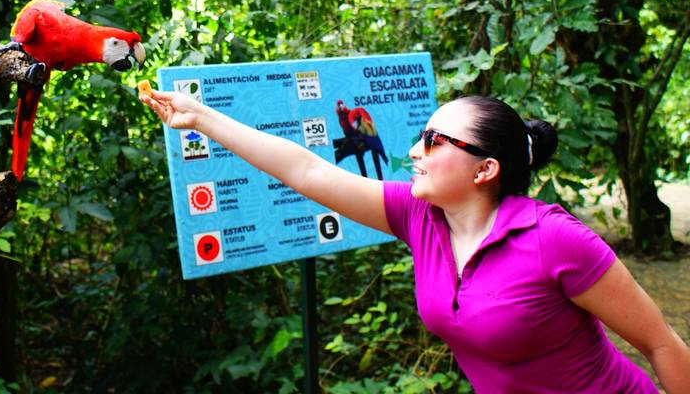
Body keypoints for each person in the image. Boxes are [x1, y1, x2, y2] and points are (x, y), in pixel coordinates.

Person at [139, 89, 690, 393]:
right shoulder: (419, 216)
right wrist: (202, 118)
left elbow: (661, 343)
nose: (416, 150)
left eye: (434, 139)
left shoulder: (552, 239)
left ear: (485, 170)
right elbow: (307, 172)